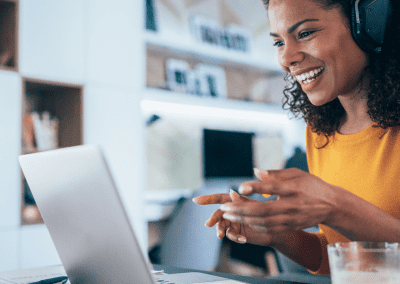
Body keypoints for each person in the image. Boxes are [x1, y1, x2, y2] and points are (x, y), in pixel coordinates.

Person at [193, 0, 400, 275]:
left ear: (371, 24)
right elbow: (349, 261)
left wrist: (334, 206)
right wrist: (278, 234)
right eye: (278, 42)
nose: (286, 58)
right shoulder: (321, 131)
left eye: (304, 33)